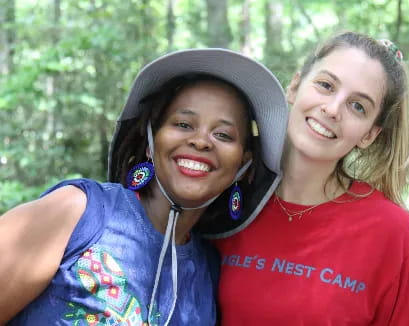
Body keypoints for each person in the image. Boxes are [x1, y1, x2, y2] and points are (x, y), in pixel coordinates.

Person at [0, 49, 288, 325]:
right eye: (184, 124)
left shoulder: (210, 272)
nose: (201, 141)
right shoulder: (78, 211)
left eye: (223, 134)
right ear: (151, 141)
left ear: (243, 166)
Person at [201, 31, 409, 325]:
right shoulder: (227, 194)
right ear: (294, 86)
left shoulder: (390, 230)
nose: (332, 109)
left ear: (369, 134)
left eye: (358, 106)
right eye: (326, 85)